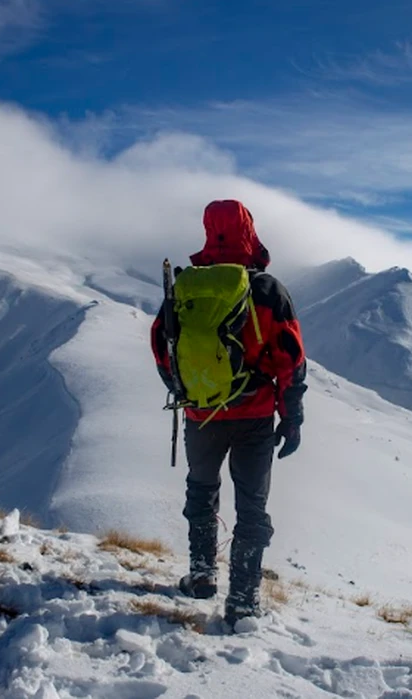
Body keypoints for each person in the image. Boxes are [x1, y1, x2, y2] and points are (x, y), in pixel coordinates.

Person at [151, 199, 307, 627]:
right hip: (254, 416)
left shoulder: (185, 287)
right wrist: (291, 417)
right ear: (249, 230)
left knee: (201, 492)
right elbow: (291, 359)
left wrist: (189, 393)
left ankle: (201, 576)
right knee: (252, 507)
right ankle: (242, 600)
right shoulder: (267, 289)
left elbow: (163, 348)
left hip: (201, 416)